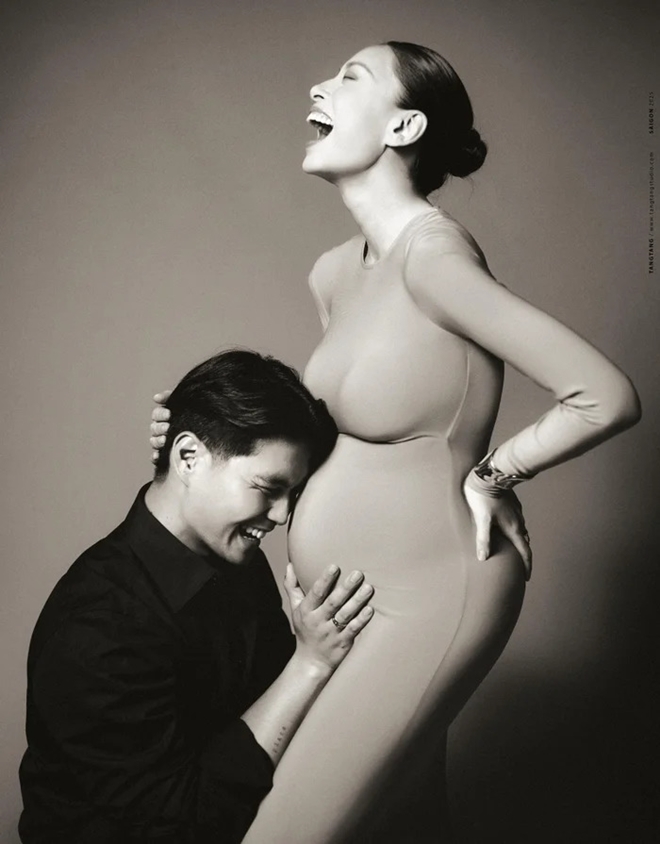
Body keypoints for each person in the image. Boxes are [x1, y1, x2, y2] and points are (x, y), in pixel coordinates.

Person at [150, 42, 642, 843]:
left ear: (404, 126)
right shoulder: (335, 272)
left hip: (432, 593)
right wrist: (200, 430)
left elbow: (604, 395)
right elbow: (331, 434)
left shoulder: (433, 258)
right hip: (345, 606)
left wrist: (494, 475)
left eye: (351, 77)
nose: (318, 84)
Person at [18, 349, 376, 844]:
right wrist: (308, 664)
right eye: (268, 487)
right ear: (188, 458)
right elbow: (183, 824)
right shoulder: (99, 626)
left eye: (292, 494)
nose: (281, 516)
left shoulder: (237, 560)